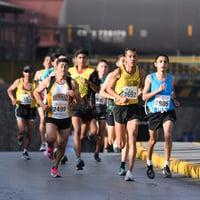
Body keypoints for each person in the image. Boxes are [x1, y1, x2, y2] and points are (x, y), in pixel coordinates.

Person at [33, 58, 81, 177]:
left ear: (68, 68)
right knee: (51, 138)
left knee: (62, 145)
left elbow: (79, 102)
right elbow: (36, 92)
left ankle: (55, 167)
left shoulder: (72, 83)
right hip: (52, 116)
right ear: (57, 68)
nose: (63, 68)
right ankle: (49, 147)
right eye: (61, 66)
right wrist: (43, 105)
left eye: (65, 66)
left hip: (65, 117)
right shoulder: (50, 80)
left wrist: (74, 95)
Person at [106, 48, 145, 181]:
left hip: (133, 108)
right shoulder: (118, 71)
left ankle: (130, 171)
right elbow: (108, 89)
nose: (132, 59)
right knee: (121, 144)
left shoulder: (141, 71)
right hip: (119, 108)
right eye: (130, 57)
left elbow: (143, 86)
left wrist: (140, 91)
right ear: (126, 58)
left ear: (137, 58)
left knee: (133, 135)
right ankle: (118, 140)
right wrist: (119, 97)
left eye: (134, 56)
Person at [142, 54, 180, 179]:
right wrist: (157, 90)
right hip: (154, 112)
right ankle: (149, 162)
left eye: (165, 62)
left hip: (168, 111)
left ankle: (166, 165)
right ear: (156, 64)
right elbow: (144, 96)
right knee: (153, 140)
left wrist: (174, 100)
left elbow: (171, 93)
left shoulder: (171, 78)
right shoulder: (150, 78)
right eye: (160, 61)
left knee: (168, 135)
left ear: (168, 64)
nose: (163, 64)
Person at [68, 48, 100, 170]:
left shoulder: (92, 72)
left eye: (84, 58)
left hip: (88, 105)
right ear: (76, 59)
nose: (82, 60)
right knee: (76, 131)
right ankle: (78, 158)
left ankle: (90, 136)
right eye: (79, 58)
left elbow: (98, 90)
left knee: (93, 132)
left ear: (87, 59)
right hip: (75, 105)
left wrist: (89, 83)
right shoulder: (70, 71)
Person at [99, 55, 128, 176]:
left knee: (127, 134)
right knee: (111, 140)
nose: (125, 63)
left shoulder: (132, 75)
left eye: (126, 61)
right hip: (113, 107)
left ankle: (123, 165)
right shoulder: (112, 75)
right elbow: (102, 92)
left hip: (127, 107)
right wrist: (115, 97)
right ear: (117, 64)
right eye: (122, 61)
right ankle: (116, 139)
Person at [7, 65, 37, 160]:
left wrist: (35, 96)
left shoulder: (35, 84)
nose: (28, 74)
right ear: (23, 73)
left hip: (31, 110)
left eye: (30, 72)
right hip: (20, 108)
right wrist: (13, 99)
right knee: (22, 130)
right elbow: (9, 90)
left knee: (29, 132)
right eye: (26, 72)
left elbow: (41, 94)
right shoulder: (18, 81)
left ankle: (25, 151)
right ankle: (20, 136)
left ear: (32, 74)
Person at [34, 54, 52, 152]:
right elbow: (34, 85)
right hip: (41, 98)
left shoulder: (54, 72)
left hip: (50, 99)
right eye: (47, 60)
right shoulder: (39, 73)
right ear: (43, 62)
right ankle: (43, 142)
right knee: (43, 118)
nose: (48, 62)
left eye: (50, 60)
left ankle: (49, 137)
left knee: (50, 120)